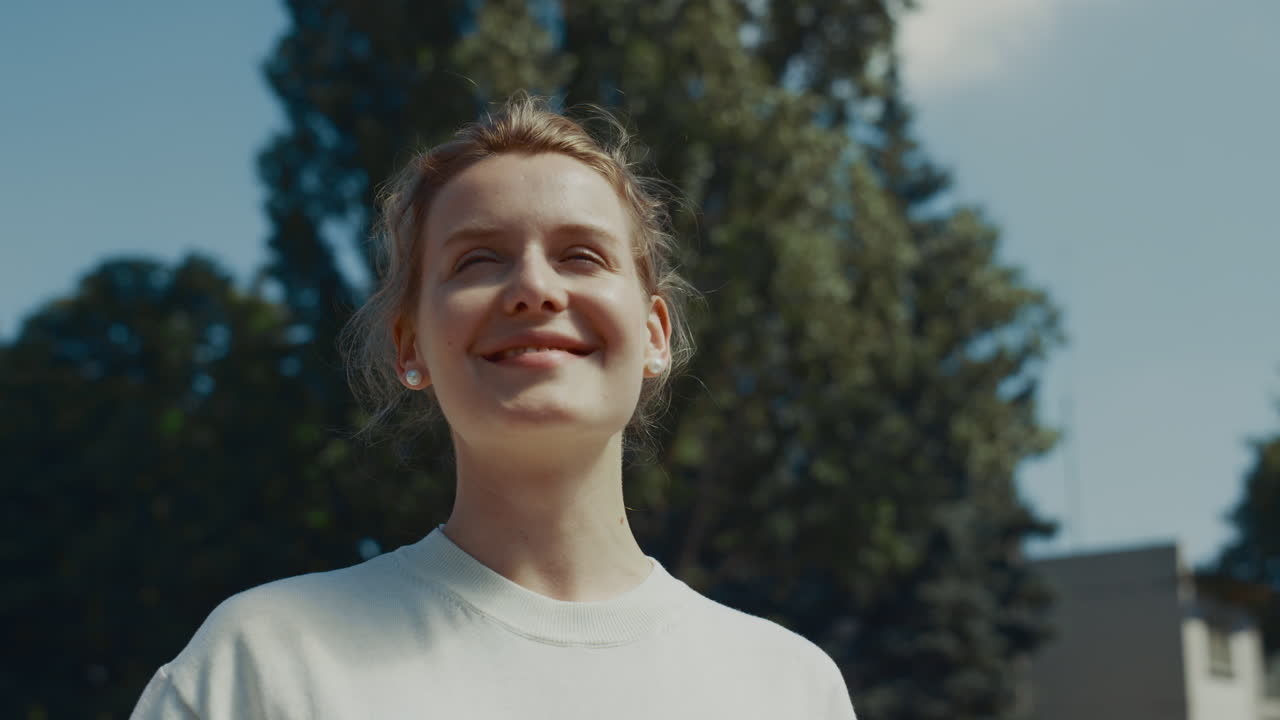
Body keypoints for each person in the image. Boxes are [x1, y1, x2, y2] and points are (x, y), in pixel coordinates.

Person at [130, 93, 857, 719]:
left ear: (654, 335)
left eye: (581, 256)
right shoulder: (263, 663)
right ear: (410, 344)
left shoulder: (789, 687)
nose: (535, 289)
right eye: (479, 260)